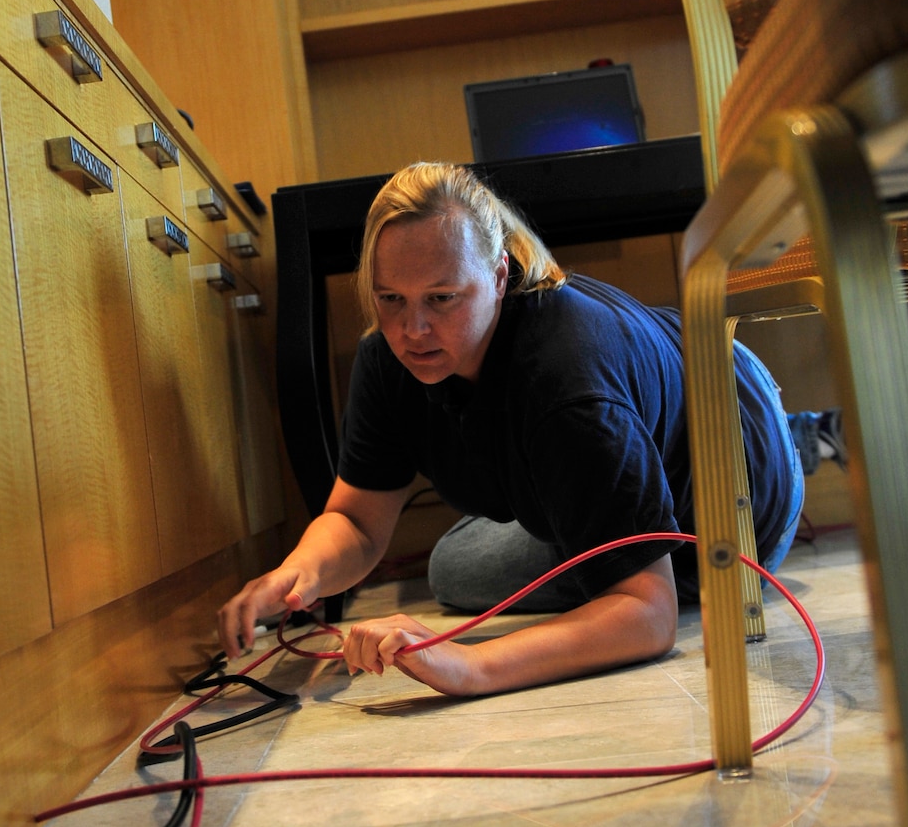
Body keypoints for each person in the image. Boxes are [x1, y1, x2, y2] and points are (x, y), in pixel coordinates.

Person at [218, 162, 810, 698]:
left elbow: (648, 614)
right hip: (637, 396)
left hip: (739, 461)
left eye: (442, 298)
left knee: (606, 583)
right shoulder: (388, 357)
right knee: (455, 567)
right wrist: (298, 573)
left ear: (500, 275)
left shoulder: (568, 387)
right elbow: (356, 522)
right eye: (390, 298)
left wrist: (472, 666)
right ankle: (596, 489)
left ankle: (803, 436)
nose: (412, 328)